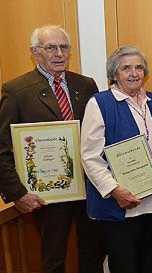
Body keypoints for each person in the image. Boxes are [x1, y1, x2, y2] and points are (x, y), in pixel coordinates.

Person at [0, 25, 105, 273]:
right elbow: (2, 148)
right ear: (35, 52)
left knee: (94, 253)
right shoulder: (16, 91)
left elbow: (100, 134)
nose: (59, 54)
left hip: (89, 189)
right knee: (54, 259)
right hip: (47, 195)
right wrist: (17, 193)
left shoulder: (86, 85)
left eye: (64, 47)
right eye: (51, 48)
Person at [81, 46, 152, 273]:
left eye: (139, 67)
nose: (134, 73)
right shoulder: (100, 103)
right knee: (124, 266)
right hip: (120, 206)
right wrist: (114, 190)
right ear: (114, 73)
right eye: (126, 68)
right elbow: (90, 156)